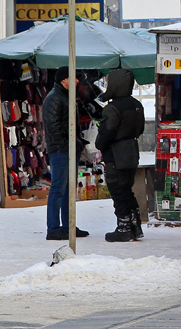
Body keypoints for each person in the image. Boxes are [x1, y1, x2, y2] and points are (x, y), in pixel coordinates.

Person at [95, 66, 145, 242]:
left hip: (116, 153)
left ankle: (123, 227)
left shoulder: (113, 108)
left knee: (118, 190)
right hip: (132, 150)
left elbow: (106, 133)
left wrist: (100, 143)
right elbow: (141, 129)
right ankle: (135, 225)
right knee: (127, 189)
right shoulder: (137, 105)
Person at [42, 67, 89, 241]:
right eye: (74, 78)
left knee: (68, 188)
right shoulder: (54, 98)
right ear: (64, 80)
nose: (77, 81)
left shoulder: (65, 97)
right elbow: (53, 127)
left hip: (69, 148)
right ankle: (53, 228)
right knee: (58, 188)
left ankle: (68, 225)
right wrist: (67, 146)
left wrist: (76, 143)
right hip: (61, 150)